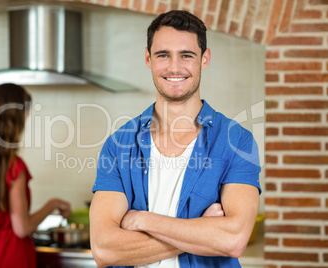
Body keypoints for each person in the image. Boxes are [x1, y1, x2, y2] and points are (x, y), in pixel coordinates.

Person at [89, 10, 261, 268]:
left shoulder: (237, 142)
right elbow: (104, 249)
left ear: (205, 59)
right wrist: (202, 231)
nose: (174, 67)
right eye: (163, 55)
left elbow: (233, 239)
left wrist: (143, 220)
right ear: (148, 58)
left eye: (186, 55)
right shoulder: (119, 145)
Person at [0, 83, 71, 268]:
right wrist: (53, 204)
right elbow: (22, 228)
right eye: (25, 115)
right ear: (14, 120)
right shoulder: (14, 168)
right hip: (13, 256)